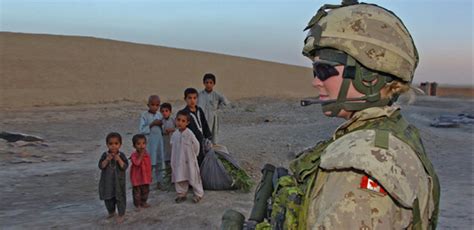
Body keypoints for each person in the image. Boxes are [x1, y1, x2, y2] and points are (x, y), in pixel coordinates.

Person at [239, 1, 440, 229]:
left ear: (368, 78)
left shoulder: (359, 170)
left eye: (324, 71)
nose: (316, 82)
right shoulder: (391, 134)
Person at [170, 110, 204, 204]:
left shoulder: (189, 134)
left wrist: (194, 156)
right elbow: (172, 145)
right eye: (178, 120)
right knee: (180, 176)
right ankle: (181, 194)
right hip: (178, 161)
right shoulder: (175, 134)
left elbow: (197, 145)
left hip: (189, 160)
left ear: (187, 123)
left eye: (183, 121)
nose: (180, 122)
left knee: (193, 177)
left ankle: (198, 194)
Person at [98, 132, 129, 224]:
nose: (113, 146)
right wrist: (107, 159)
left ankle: (121, 214)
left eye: (116, 144)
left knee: (120, 197)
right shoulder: (105, 155)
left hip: (119, 182)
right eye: (110, 144)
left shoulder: (121, 155)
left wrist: (119, 160)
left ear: (120, 144)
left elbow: (125, 167)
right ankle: (111, 212)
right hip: (107, 182)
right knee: (108, 198)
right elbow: (101, 166)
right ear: (107, 144)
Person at [179, 88, 212, 166]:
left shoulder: (199, 110)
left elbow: (204, 124)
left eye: (194, 98)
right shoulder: (184, 113)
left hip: (202, 142)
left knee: (203, 162)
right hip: (191, 143)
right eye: (189, 98)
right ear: (185, 99)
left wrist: (209, 138)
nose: (192, 100)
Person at [139, 95, 165, 190]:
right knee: (149, 163)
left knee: (159, 162)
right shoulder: (144, 115)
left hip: (159, 143)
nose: (155, 107)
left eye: (157, 105)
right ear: (148, 105)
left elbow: (163, 129)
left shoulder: (160, 115)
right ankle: (146, 182)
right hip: (149, 144)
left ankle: (159, 182)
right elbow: (141, 130)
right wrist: (152, 124)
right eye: (152, 104)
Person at [198, 73, 230, 144]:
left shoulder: (217, 95)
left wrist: (218, 108)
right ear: (204, 83)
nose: (208, 84)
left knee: (212, 134)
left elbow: (225, 102)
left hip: (212, 118)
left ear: (214, 84)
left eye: (211, 83)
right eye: (207, 82)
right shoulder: (199, 94)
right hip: (201, 117)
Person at [130, 134, 152, 210]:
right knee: (137, 193)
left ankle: (144, 201)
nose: (141, 146)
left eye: (143, 143)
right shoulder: (133, 155)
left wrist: (150, 175)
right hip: (137, 178)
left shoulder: (147, 154)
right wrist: (141, 155)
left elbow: (149, 165)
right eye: (138, 144)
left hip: (145, 177)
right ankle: (137, 204)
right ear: (134, 146)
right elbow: (137, 163)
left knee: (145, 191)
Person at [160, 102, 176, 187]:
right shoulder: (161, 121)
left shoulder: (173, 120)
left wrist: (171, 130)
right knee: (167, 161)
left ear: (170, 112)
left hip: (173, 143)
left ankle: (174, 178)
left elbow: (177, 128)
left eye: (166, 111)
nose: (164, 113)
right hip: (165, 144)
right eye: (162, 111)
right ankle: (168, 177)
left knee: (173, 160)